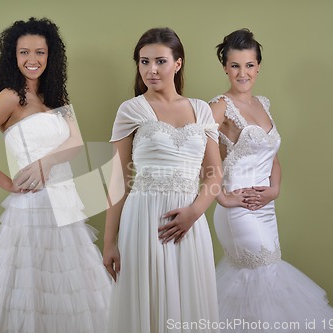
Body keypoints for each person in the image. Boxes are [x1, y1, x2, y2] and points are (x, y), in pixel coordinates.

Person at [0, 17, 110, 333]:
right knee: (29, 290)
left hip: (65, 205)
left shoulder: (58, 99)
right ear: (14, 56)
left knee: (72, 289)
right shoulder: (10, 97)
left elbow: (75, 143)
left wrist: (46, 163)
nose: (32, 60)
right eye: (24, 52)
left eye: (40, 52)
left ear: (51, 56)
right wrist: (9, 184)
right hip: (33, 207)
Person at [209, 28, 333, 332]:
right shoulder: (219, 106)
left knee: (262, 283)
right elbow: (200, 159)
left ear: (258, 66)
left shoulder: (263, 104)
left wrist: (274, 190)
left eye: (248, 65)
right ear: (225, 68)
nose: (242, 73)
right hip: (239, 212)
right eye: (235, 66)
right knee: (260, 276)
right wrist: (223, 197)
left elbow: (273, 159)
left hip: (265, 210)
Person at [103, 27, 222, 333]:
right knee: (148, 308)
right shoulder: (131, 110)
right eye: (143, 62)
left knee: (188, 306)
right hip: (143, 222)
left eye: (159, 61)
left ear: (177, 64)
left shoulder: (201, 110)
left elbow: (214, 174)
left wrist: (194, 213)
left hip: (189, 224)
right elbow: (119, 179)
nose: (150, 70)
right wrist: (109, 242)